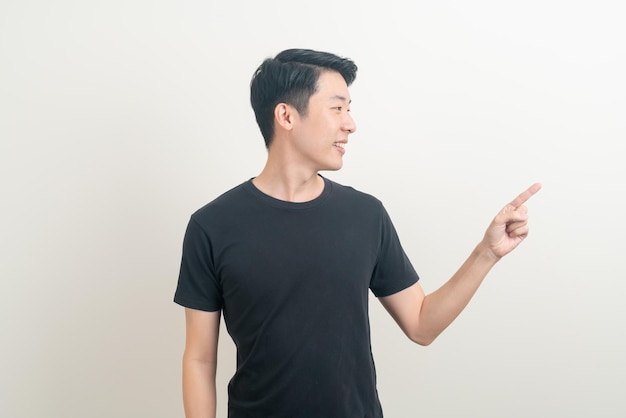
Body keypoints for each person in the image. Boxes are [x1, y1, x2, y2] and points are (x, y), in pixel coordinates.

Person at [173, 48, 541, 418]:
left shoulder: (365, 215)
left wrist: (486, 253)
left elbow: (421, 325)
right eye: (337, 108)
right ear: (286, 115)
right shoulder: (212, 226)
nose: (350, 124)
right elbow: (200, 360)